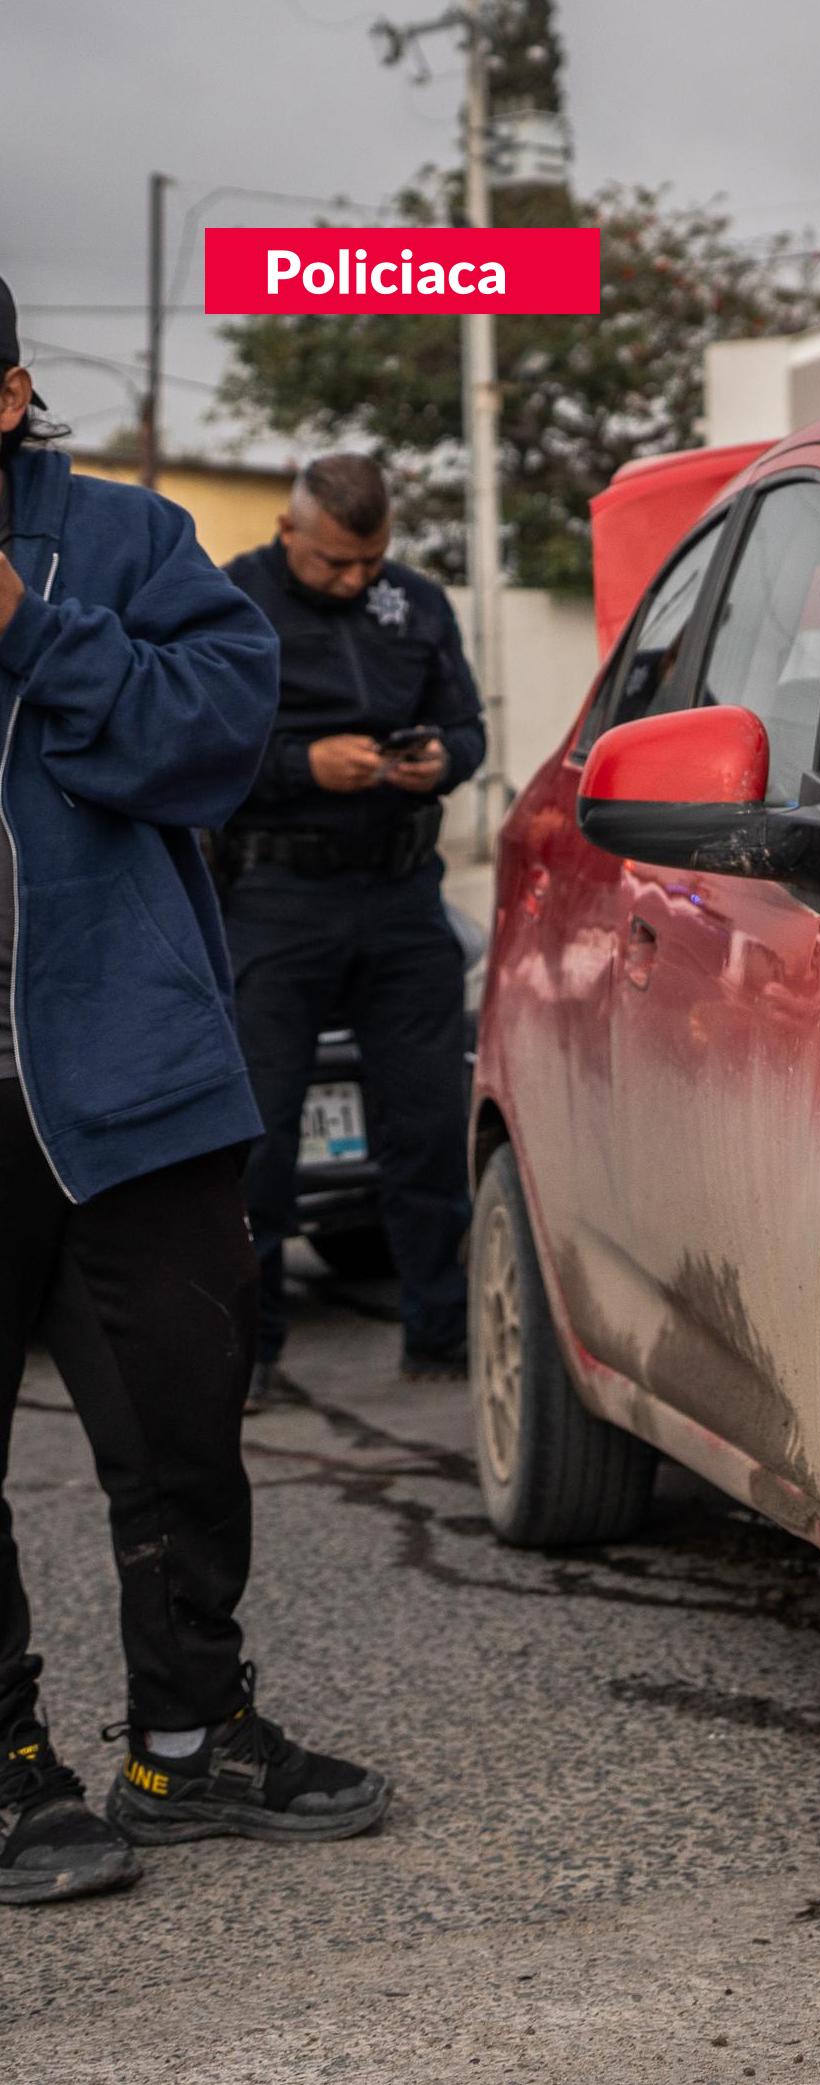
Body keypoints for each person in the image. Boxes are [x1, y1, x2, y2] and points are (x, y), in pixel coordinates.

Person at [0, 277, 392, 1907]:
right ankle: (10, 1771)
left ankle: (192, 1735)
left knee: (178, 1434)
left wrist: (27, 625)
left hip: (126, 1076)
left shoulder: (131, 545)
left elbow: (212, 743)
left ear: (7, 390)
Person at [220, 453, 486, 1395]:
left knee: (426, 1127)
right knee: (257, 1142)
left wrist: (436, 762)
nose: (354, 579)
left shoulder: (412, 603)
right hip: (275, 900)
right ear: (290, 531)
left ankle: (441, 1341)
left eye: (369, 561)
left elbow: (467, 729)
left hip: (401, 895)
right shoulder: (228, 598)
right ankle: (248, 1356)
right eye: (335, 562)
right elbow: (192, 748)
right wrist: (301, 766)